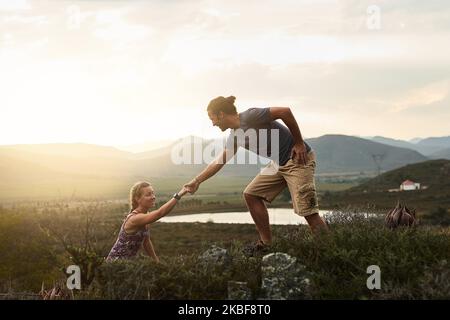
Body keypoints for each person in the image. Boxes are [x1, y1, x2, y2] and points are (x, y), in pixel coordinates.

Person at [184, 96, 328, 254]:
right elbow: (219, 161)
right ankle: (266, 243)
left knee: (308, 211)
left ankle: (331, 250)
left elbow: (284, 111)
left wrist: (299, 143)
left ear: (221, 114)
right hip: (278, 164)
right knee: (251, 194)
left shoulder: (250, 116)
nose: (213, 123)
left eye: (213, 119)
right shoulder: (234, 137)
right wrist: (197, 181)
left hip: (298, 160)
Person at [106, 181, 189, 262]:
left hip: (127, 265)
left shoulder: (144, 216)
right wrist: (179, 195)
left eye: (153, 193)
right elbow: (159, 213)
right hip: (114, 265)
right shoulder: (134, 218)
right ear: (137, 199)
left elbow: (146, 242)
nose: (153, 197)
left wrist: (156, 261)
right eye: (148, 194)